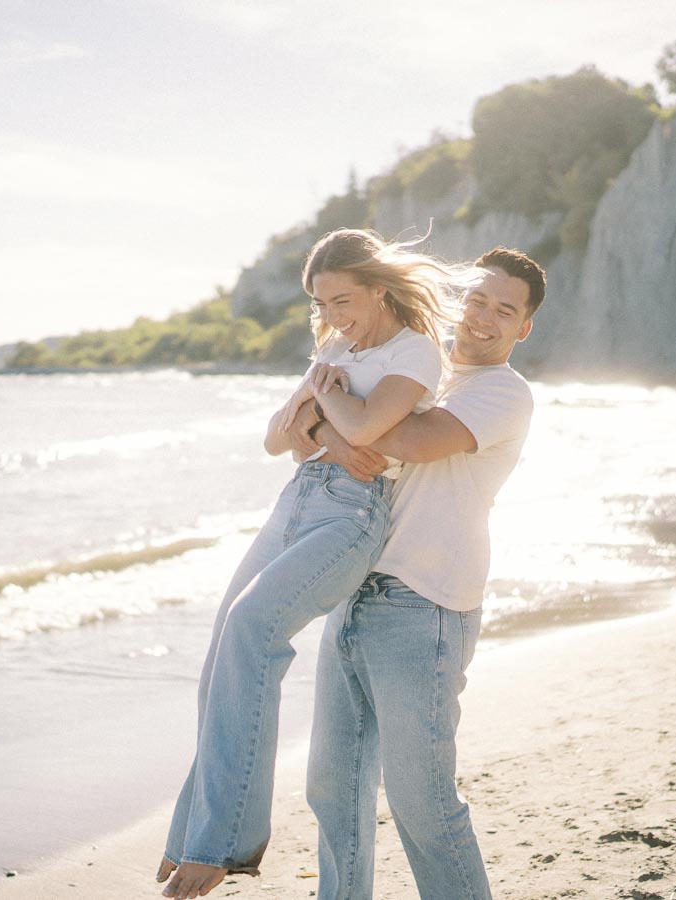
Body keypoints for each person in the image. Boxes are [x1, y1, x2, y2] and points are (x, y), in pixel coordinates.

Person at [158, 228, 461, 900]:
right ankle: (190, 834)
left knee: (251, 629)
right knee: (220, 653)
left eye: (344, 299)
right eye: (323, 303)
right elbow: (277, 439)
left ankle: (221, 845)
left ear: (379, 289)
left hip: (351, 515)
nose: (333, 315)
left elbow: (362, 431)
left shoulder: (415, 350)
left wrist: (322, 408)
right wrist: (325, 414)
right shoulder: (333, 348)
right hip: (296, 502)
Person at [296, 247, 547, 900]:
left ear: (523, 328)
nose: (485, 318)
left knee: (423, 805)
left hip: (424, 607)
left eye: (505, 310)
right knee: (333, 788)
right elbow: (297, 432)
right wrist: (334, 415)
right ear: (456, 299)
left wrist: (331, 412)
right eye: (478, 299)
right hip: (353, 591)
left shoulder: (502, 392)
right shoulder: (419, 368)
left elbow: (409, 441)